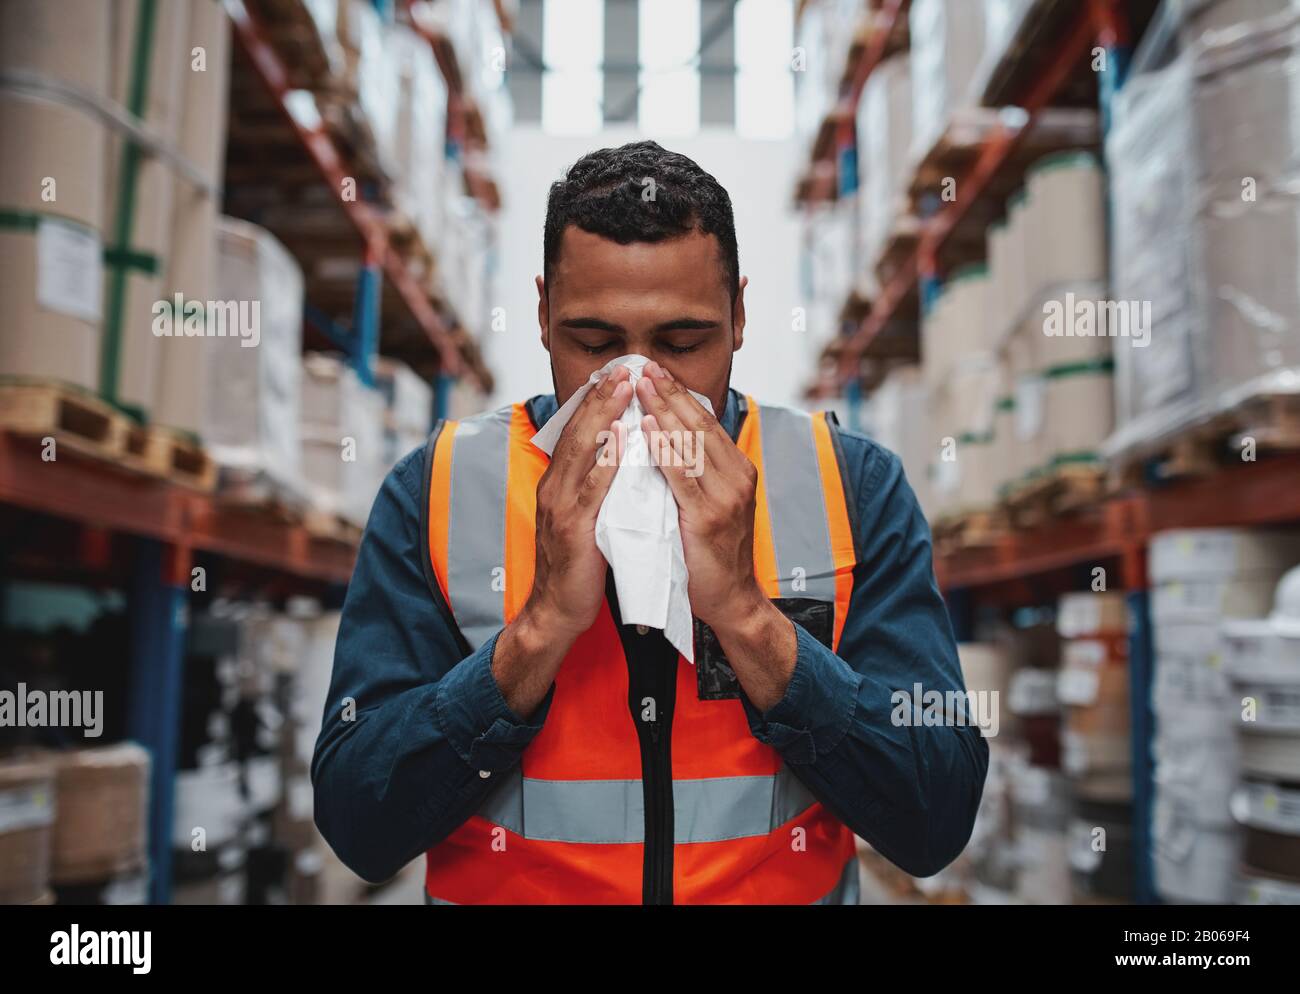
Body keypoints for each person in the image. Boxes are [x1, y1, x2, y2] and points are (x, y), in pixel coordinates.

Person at [312, 140, 988, 905]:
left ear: (738, 315)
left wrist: (748, 621)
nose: (635, 385)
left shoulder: (848, 485)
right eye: (594, 344)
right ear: (541, 315)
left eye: (682, 343)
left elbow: (936, 818)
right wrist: (534, 635)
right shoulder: (438, 491)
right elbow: (357, 823)